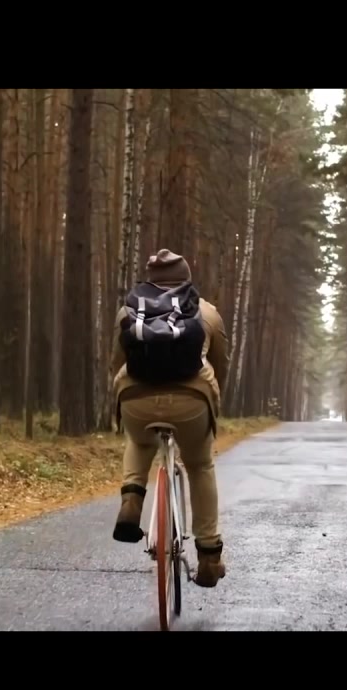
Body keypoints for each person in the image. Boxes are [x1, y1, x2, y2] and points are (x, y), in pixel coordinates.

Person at [109, 249, 231, 588]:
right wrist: (213, 398)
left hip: (136, 398)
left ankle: (132, 498)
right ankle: (209, 556)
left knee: (138, 441)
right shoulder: (206, 312)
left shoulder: (129, 310)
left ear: (150, 279)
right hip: (192, 402)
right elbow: (221, 364)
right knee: (200, 465)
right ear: (186, 278)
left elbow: (117, 362)